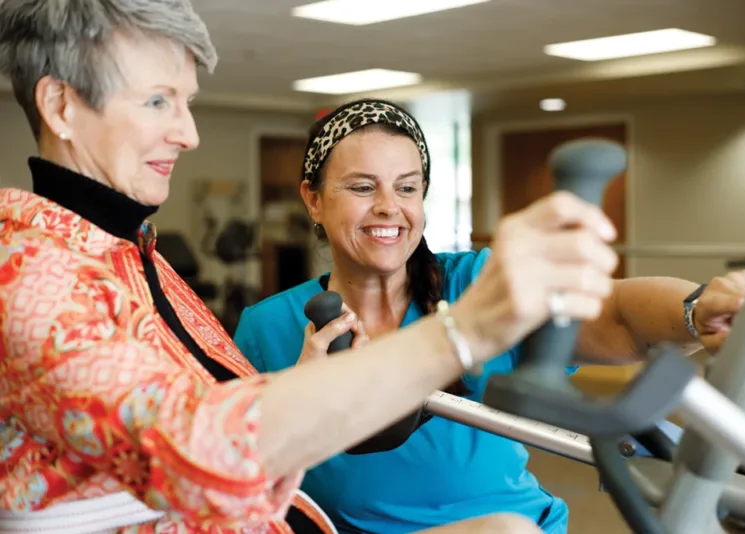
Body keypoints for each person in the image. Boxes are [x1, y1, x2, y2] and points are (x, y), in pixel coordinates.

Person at [0, 1, 634, 533]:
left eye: (187, 103)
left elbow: (220, 411)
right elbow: (201, 445)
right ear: (60, 106)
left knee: (508, 527)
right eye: (160, 102)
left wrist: (301, 385)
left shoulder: (131, 256)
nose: (189, 134)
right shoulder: (30, 272)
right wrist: (464, 331)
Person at [233, 98, 745, 534]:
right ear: (314, 199)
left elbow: (615, 311)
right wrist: (297, 404)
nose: (390, 207)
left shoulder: (477, 285)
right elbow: (232, 478)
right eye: (363, 187)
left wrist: (697, 309)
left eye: (408, 186)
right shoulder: (266, 329)